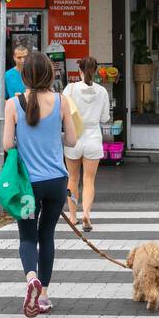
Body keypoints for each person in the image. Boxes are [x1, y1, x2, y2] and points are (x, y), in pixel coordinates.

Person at [3, 50, 78, 317]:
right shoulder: (62, 101)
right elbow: (71, 141)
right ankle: (44, 296)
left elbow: (7, 145)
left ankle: (31, 277)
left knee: (27, 237)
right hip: (57, 182)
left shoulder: (13, 104)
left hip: (27, 186)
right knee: (47, 236)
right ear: (51, 73)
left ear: (24, 75)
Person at [62, 56, 109, 232]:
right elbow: (105, 118)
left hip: (74, 136)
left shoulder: (70, 89)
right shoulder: (102, 92)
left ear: (79, 71)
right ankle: (87, 213)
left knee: (72, 178)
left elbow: (63, 112)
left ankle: (73, 216)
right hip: (93, 138)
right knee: (89, 180)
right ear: (95, 71)